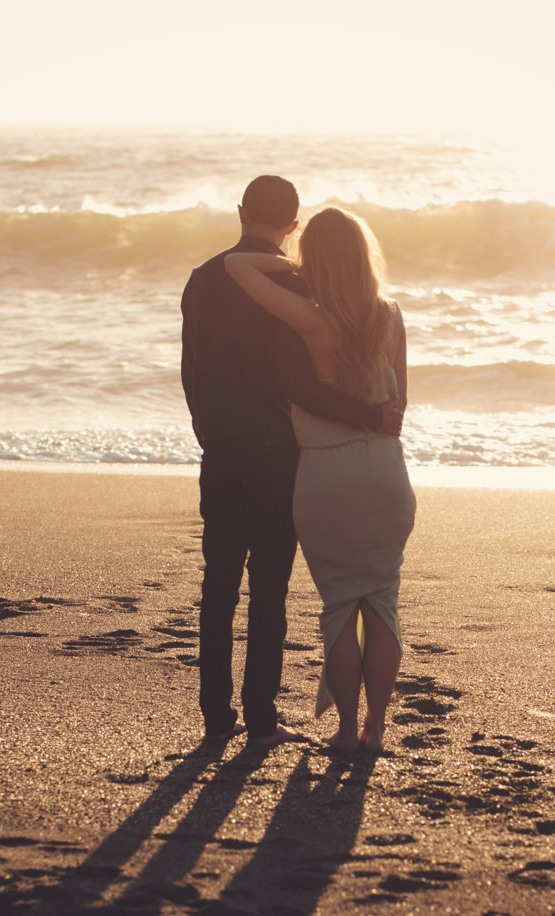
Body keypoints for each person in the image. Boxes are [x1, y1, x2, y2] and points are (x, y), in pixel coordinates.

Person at [180, 176, 401, 747]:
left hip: (223, 451)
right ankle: (260, 718)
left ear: (239, 211)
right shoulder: (304, 288)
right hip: (282, 456)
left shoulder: (203, 280)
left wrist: (209, 433)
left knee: (218, 585)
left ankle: (214, 717)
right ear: (293, 224)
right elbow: (297, 381)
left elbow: (192, 369)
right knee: (268, 590)